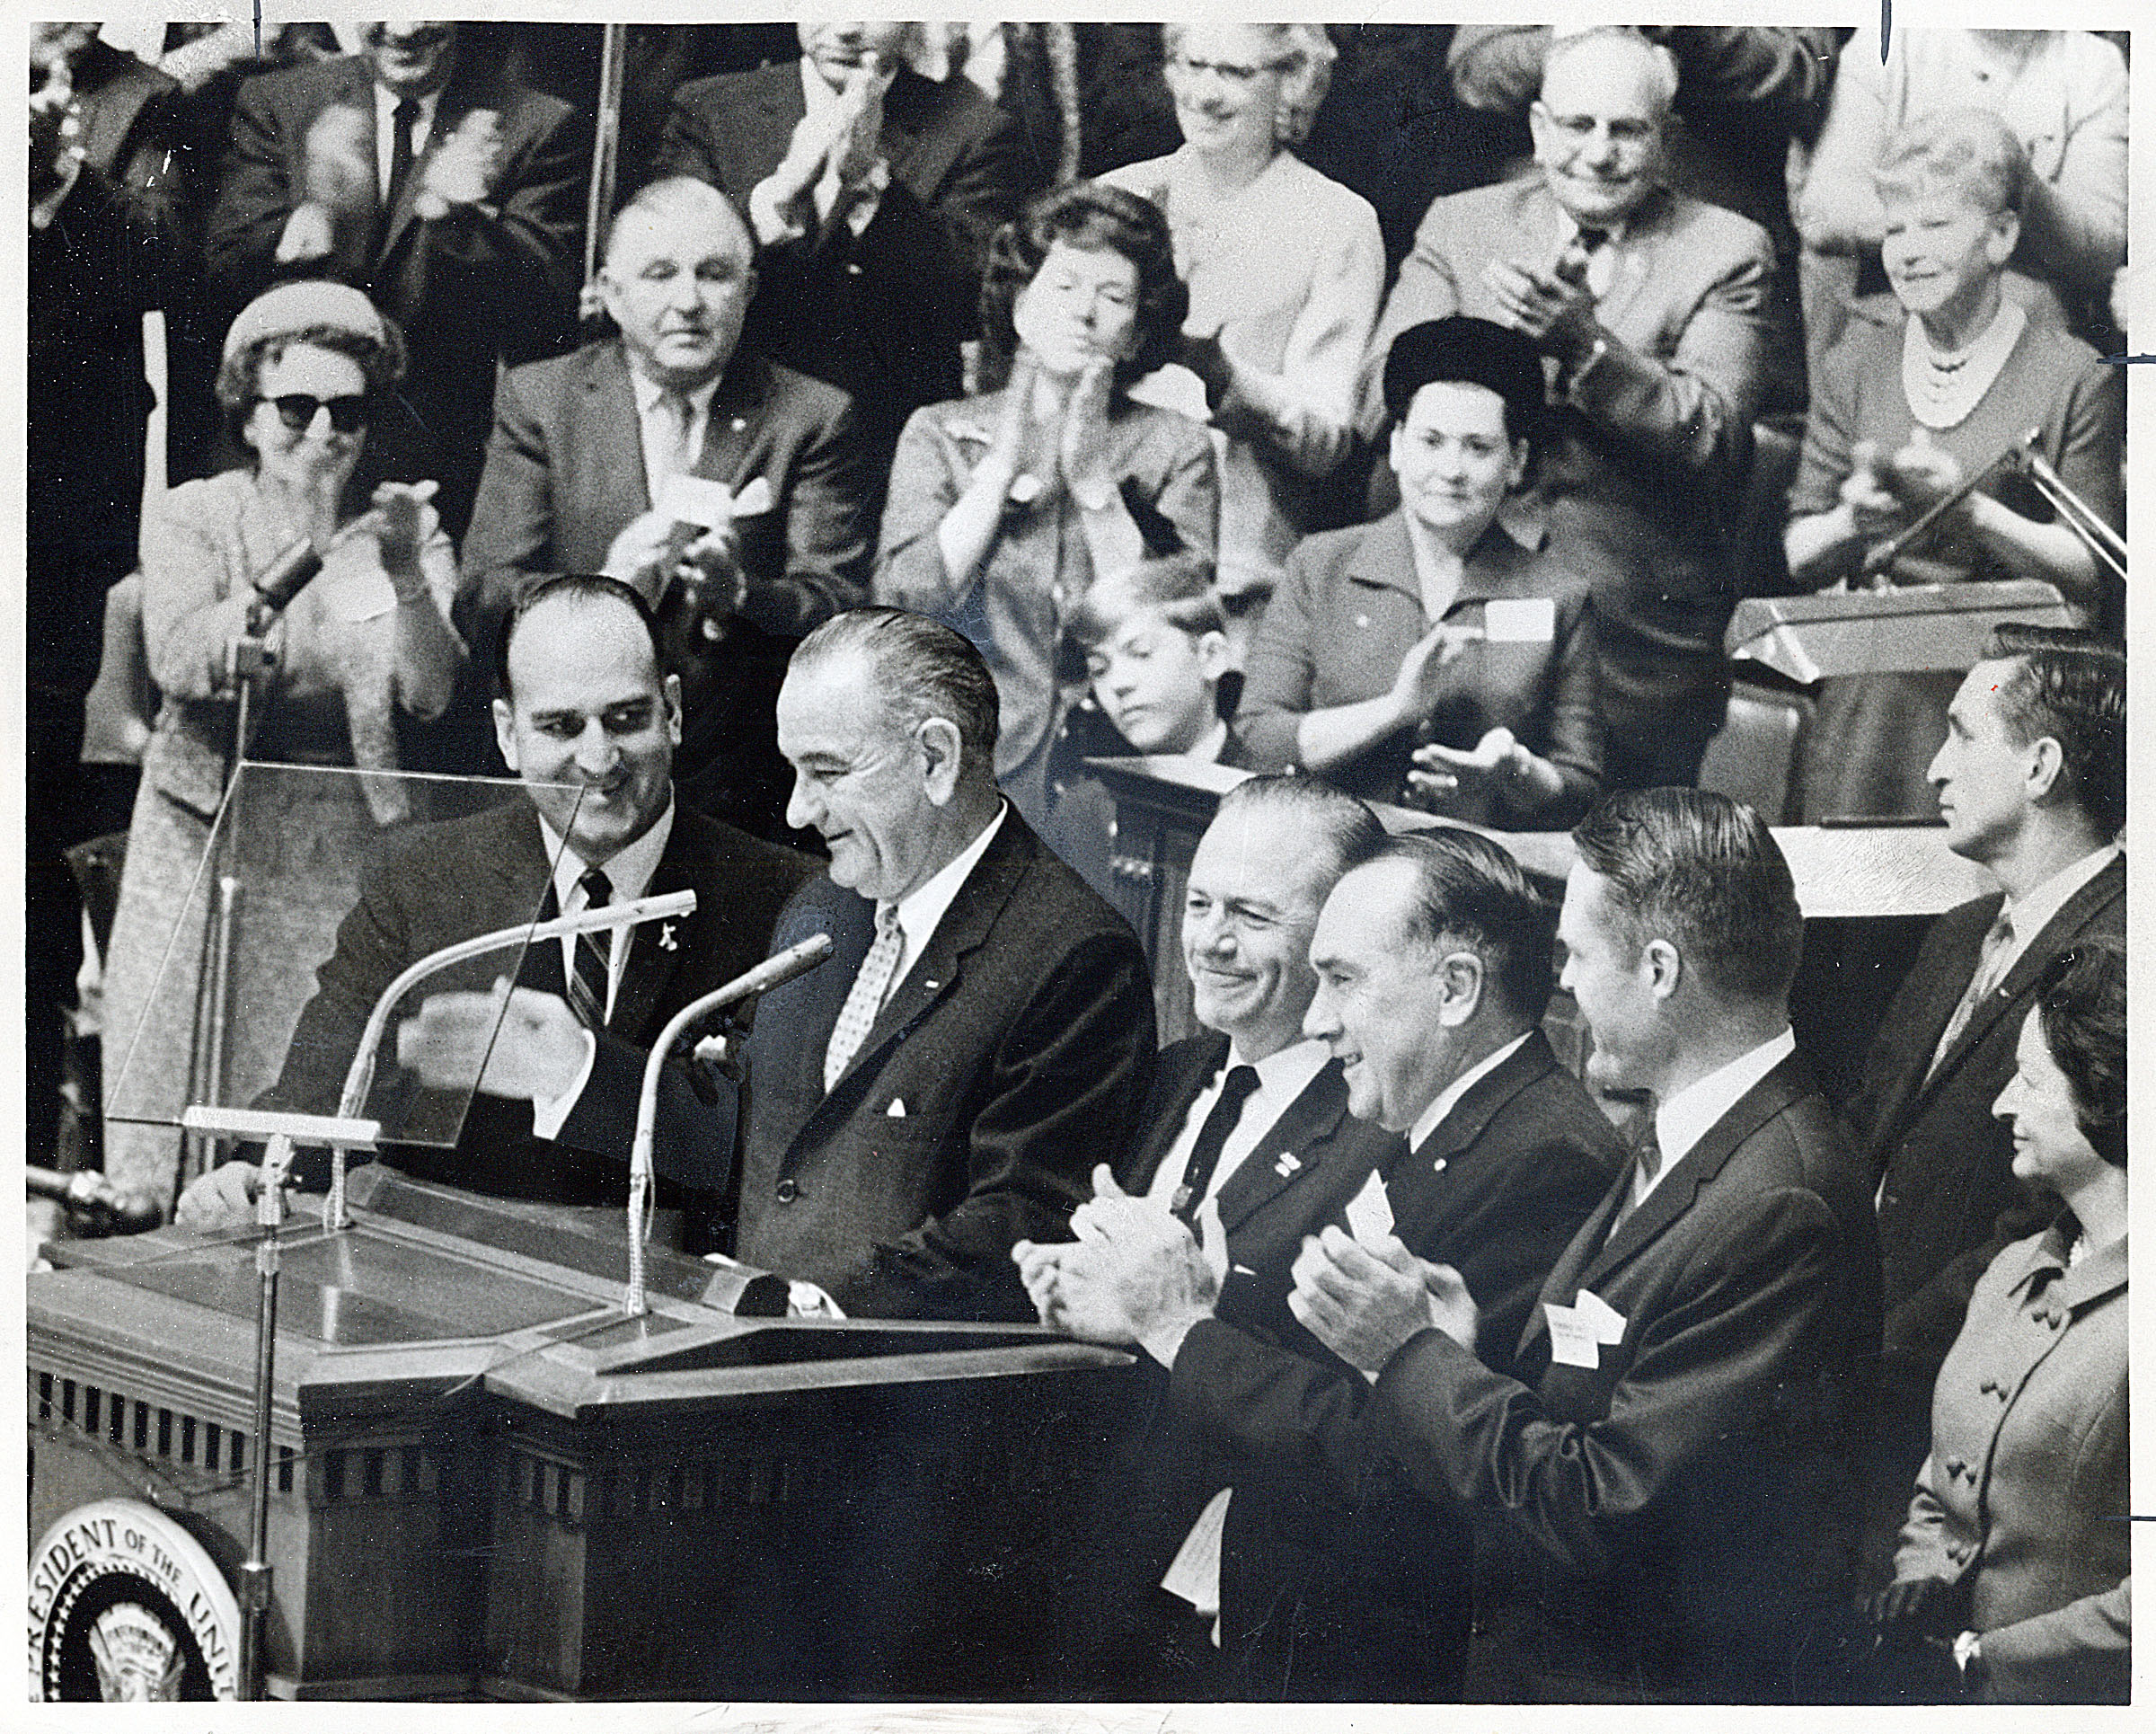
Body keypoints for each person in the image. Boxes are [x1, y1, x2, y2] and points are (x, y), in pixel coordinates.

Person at [1235, 791, 1878, 1699]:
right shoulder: (1698, 1137)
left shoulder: (1780, 1199)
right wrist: (1458, 1352)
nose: (1563, 983)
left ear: (1659, 969)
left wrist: (1411, 1355)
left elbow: (1606, 1507)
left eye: (1576, 954)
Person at [1021, 826, 1624, 1698]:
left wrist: (1179, 1324)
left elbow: (1409, 1463)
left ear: (1455, 987)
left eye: (1341, 979)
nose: (1314, 1018)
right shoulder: (1431, 1120)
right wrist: (1163, 1293)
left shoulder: (1547, 1158)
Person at [172, 574, 814, 1231]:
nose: (599, 759)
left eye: (626, 719)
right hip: (453, 1275)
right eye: (560, 727)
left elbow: (771, 1154)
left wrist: (585, 1074)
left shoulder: (787, 901)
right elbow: (322, 1085)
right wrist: (252, 1169)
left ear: (673, 713)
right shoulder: (421, 878)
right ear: (508, 735)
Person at [98, 282, 466, 1215]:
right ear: (249, 414)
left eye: (346, 409)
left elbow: (432, 692)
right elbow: (182, 655)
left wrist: (405, 576)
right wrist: (307, 548)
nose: (321, 432)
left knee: (298, 1107)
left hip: (341, 853)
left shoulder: (403, 532)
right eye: (296, 408)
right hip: (204, 843)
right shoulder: (196, 516)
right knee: (171, 1095)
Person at [1029, 776, 1393, 1692]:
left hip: (1236, 1615)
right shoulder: (1179, 1070)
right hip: (1099, 1554)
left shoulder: (1374, 1126)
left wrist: (1185, 1307)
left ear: (1339, 936)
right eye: (1198, 903)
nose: (1210, 942)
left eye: (1253, 916)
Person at [1366, 27, 1776, 792]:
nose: (1599, 153)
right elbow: (1377, 394)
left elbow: (1717, 436)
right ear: (1538, 129)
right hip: (1451, 618)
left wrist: (1589, 347)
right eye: (1578, 126)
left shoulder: (1726, 248)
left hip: (1632, 642)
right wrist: (1493, 352)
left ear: (1669, 139)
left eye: (1628, 130)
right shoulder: (1461, 224)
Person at [727, 607, 1157, 1322]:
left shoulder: (1075, 957)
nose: (799, 812)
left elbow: (1021, 1222)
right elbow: (766, 1149)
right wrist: (578, 1073)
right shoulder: (821, 910)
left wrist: (817, 1307)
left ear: (935, 758)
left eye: (826, 771)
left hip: (893, 1392)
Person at [461, 176, 875, 842]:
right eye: (660, 275)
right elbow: (484, 594)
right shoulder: (542, 400)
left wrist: (742, 596)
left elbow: (839, 610)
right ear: (610, 293)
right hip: (577, 773)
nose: (689, 302)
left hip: (744, 781)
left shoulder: (812, 416)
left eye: (714, 275)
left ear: (750, 289)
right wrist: (605, 587)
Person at [1844, 625, 2123, 1571]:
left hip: (1955, 1400)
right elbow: (1866, 1142)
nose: (1930, 767)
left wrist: (1866, 1357)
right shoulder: (1962, 929)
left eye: (1961, 735)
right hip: (1866, 1373)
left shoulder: (2126, 954)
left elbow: (2057, 1216)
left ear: (2042, 765)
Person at [1781, 111, 2123, 822]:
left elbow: (2091, 572)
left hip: (2013, 696)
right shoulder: (1852, 366)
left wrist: (1972, 514)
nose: (1904, 253)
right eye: (1895, 230)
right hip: (1873, 686)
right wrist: (1853, 519)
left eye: (1933, 227)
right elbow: (1799, 552)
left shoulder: (2074, 374)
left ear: (2000, 236)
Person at [875, 181, 1217, 829]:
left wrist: (1093, 487)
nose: (1084, 312)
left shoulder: (1177, 444)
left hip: (1124, 774)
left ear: (1140, 330)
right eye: (1064, 287)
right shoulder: (939, 432)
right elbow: (906, 606)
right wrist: (1000, 465)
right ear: (1020, 306)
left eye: (1112, 296)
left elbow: (1176, 623)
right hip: (972, 762)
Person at [1864, 940, 2126, 1704]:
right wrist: (1920, 1588)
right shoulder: (2011, 1275)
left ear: (2104, 1093)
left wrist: (1986, 1658)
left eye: (2031, 1080)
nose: (2002, 1102)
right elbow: (1940, 1491)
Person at [27, 21, 200, 1172]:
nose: (60, 100)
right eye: (30, 79)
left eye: (63, 76)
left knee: (33, 908)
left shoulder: (108, 232)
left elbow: (121, 439)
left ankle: (34, 1157)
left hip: (45, 624)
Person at [203, 21, 584, 536]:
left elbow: (550, 308)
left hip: (436, 458)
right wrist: (313, 217)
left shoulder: (536, 122)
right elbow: (223, 262)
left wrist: (465, 223)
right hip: (294, 440)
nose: (403, 28)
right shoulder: (280, 99)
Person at [1238, 317, 1603, 826]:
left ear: (1516, 462)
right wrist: (1394, 710)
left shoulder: (1559, 598)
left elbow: (1580, 786)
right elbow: (1261, 738)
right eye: (1432, 441)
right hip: (1328, 847)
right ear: (1397, 446)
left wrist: (1512, 773)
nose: (1451, 470)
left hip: (1475, 865)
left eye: (1478, 447)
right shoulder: (1319, 566)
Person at [655, 20, 1038, 456]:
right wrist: (778, 193)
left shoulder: (976, 127)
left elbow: (973, 297)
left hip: (880, 430)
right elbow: (666, 255)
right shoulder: (712, 107)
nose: (846, 27)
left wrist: (872, 186)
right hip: (726, 412)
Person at [1103, 23, 1383, 603]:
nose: (1206, 93)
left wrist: (1228, 378)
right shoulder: (1116, 196)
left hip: (1239, 565)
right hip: (1103, 541)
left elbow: (1328, 441)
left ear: (1293, 86)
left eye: (1235, 73)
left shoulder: (1337, 220)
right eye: (1195, 65)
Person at [1794, 28, 2126, 360]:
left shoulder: (2094, 64)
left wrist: (2019, 183)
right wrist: (1941, 225)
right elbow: (1826, 208)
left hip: (2020, 307)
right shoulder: (1890, 42)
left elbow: (2099, 250)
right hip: (1887, 297)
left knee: (2027, 308)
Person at [1042, 554, 1242, 902]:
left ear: (1210, 657)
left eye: (1141, 653)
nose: (1118, 684)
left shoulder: (1278, 797)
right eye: (1100, 668)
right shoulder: (1082, 811)